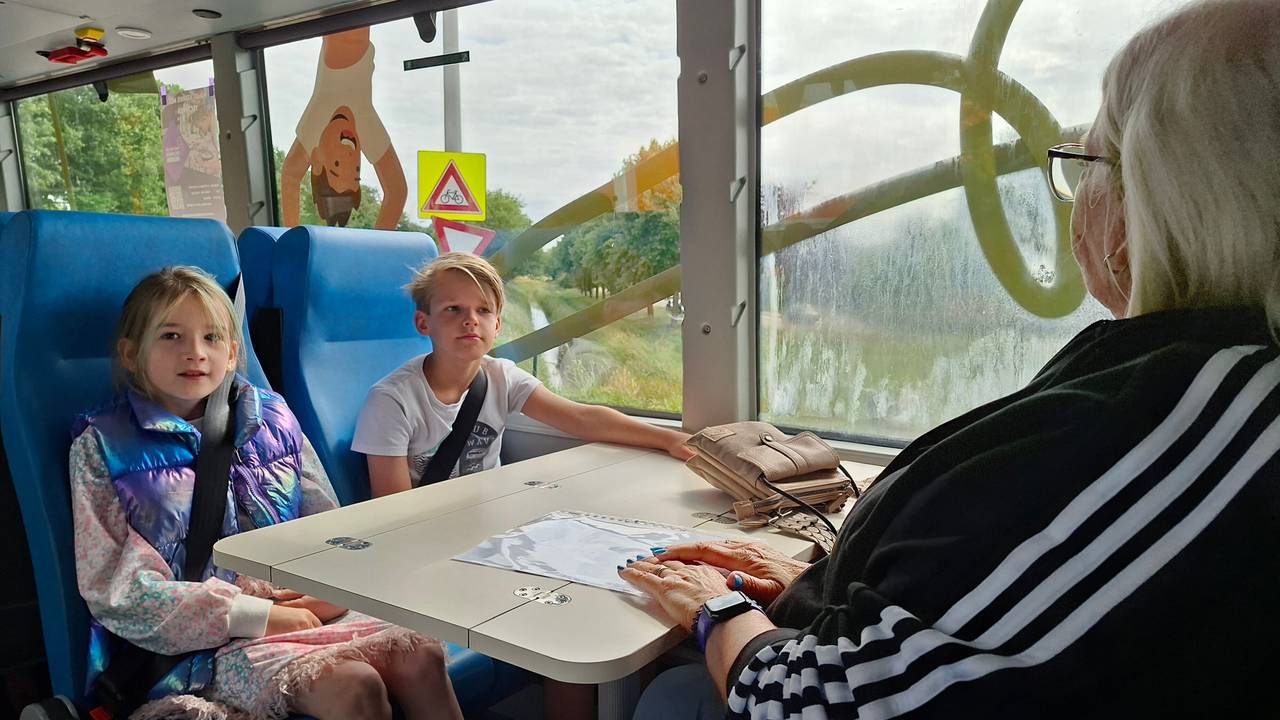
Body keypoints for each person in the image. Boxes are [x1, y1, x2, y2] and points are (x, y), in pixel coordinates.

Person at [622, 1, 1280, 716]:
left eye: (1087, 161)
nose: (1077, 198)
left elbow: (823, 703)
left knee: (674, 696)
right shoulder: (1174, 396)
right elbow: (1033, 619)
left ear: (1164, 195)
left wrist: (716, 611)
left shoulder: (1211, 417)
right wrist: (805, 582)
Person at [70, 267, 462, 720]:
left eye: (212, 338)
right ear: (131, 353)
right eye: (171, 336)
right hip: (206, 644)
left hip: (303, 604)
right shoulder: (104, 446)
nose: (195, 353)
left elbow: (329, 528)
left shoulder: (272, 417)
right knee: (356, 686)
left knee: (421, 656)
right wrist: (253, 615)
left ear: (234, 353)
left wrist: (332, 592)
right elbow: (114, 593)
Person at [353, 251, 694, 497]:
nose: (470, 319)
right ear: (423, 322)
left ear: (497, 326)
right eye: (452, 309)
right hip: (424, 531)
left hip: (490, 515)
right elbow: (390, 508)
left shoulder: (502, 377)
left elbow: (581, 418)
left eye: (483, 310)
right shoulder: (392, 401)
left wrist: (671, 439)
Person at [280, 27, 407, 229]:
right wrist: (375, 251)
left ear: (318, 160)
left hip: (339, 22)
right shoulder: (365, 124)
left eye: (338, 165)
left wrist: (293, 239)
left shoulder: (318, 119)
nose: (350, 157)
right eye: (356, 171)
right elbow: (397, 190)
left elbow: (290, 175)